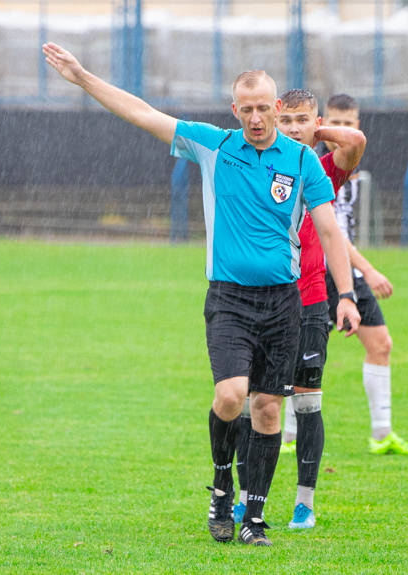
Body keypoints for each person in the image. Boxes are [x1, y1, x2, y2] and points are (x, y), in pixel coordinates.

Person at [43, 42, 361, 547]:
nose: (256, 117)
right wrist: (84, 78)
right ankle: (221, 484)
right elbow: (143, 113)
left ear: (277, 109)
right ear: (235, 111)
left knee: (268, 410)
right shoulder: (215, 146)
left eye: (264, 108)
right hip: (230, 300)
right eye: (247, 109)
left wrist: (345, 294)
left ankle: (254, 517)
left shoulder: (301, 161)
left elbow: (328, 231)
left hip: (284, 303)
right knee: (231, 396)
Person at [232, 89, 367, 531]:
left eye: (301, 120)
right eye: (284, 119)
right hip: (265, 299)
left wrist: (313, 132)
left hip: (310, 301)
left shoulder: (321, 168)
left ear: (317, 121)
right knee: (253, 402)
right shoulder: (264, 160)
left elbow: (356, 143)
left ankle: (304, 503)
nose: (291, 127)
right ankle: (246, 497)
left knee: (307, 404)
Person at [320, 94, 408, 458]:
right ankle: (285, 439)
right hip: (320, 270)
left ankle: (381, 434)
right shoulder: (316, 166)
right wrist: (368, 268)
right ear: (322, 124)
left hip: (345, 272)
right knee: (298, 356)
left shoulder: (352, 172)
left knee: (380, 344)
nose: (344, 130)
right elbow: (329, 232)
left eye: (350, 123)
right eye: (337, 122)